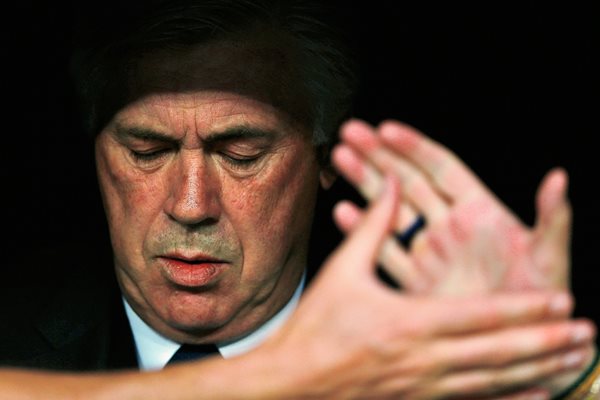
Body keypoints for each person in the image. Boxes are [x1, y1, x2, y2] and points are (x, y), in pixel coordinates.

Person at [1, 0, 598, 398]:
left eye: (241, 153)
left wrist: (564, 375)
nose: (190, 204)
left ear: (326, 156)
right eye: (148, 151)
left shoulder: (438, 347)